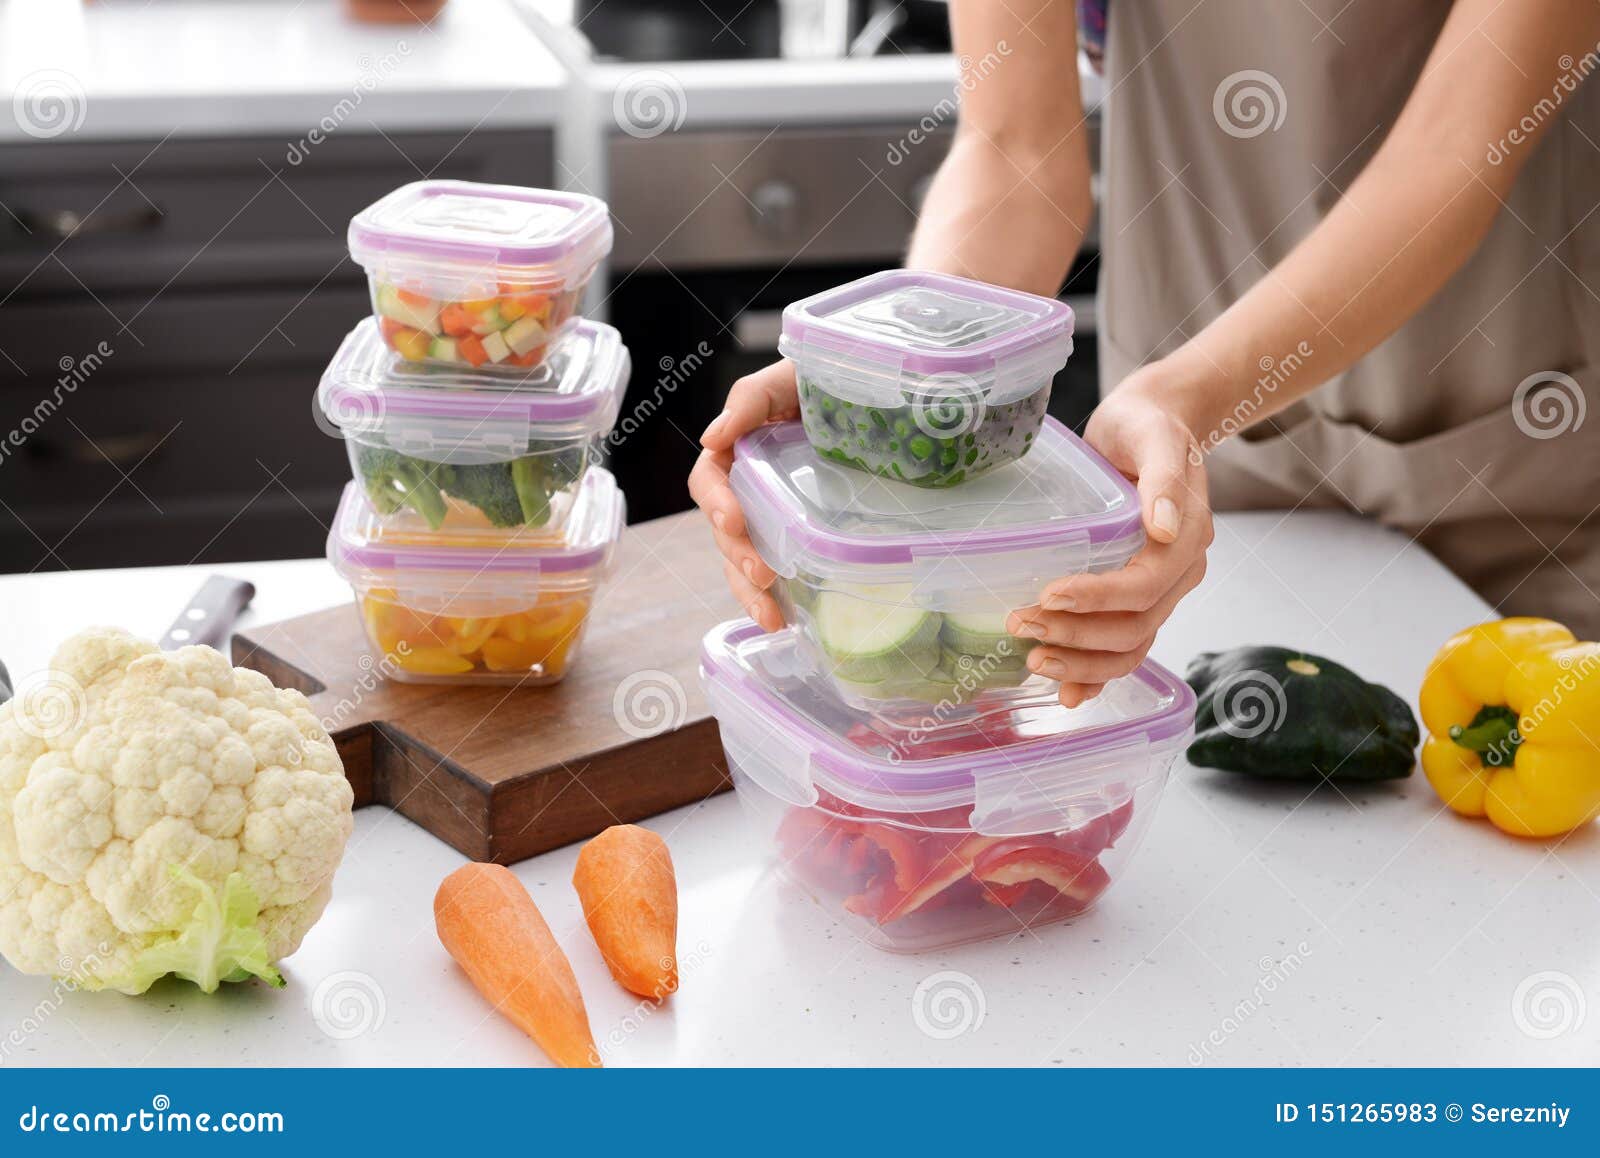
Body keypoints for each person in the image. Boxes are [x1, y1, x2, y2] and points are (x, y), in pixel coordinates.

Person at [690, 0, 1600, 707]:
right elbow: (1014, 147)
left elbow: (1457, 152)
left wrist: (1188, 397)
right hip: (1201, 485)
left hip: (1508, 490)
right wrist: (899, 376)